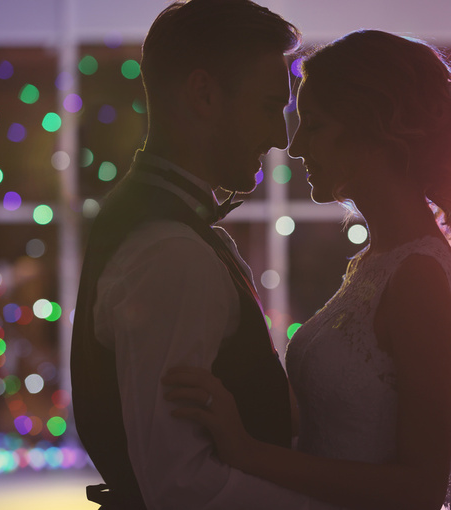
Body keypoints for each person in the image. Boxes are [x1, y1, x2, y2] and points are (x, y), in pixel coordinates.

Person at [162, 30, 451, 509]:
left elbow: (420, 489)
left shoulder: (419, 277)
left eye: (315, 125)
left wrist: (247, 453)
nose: (296, 145)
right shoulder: (377, 262)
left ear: (374, 131)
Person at [71, 1, 344, 508]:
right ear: (204, 94)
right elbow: (182, 487)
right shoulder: (172, 254)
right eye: (268, 107)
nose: (280, 138)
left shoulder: (164, 227)